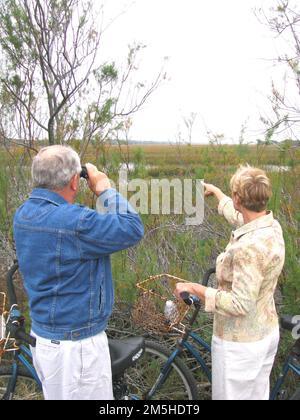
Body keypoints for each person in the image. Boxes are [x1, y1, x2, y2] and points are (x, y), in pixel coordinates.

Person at [13, 145, 144, 400]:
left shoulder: (24, 214)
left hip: (45, 337)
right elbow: (131, 227)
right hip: (76, 349)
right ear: (75, 180)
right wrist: (104, 188)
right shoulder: (75, 222)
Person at [174, 165, 285, 400]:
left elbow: (239, 304)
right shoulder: (270, 227)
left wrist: (196, 288)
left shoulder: (248, 248)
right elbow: (240, 218)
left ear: (239, 198)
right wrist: (217, 193)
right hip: (264, 334)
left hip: (240, 346)